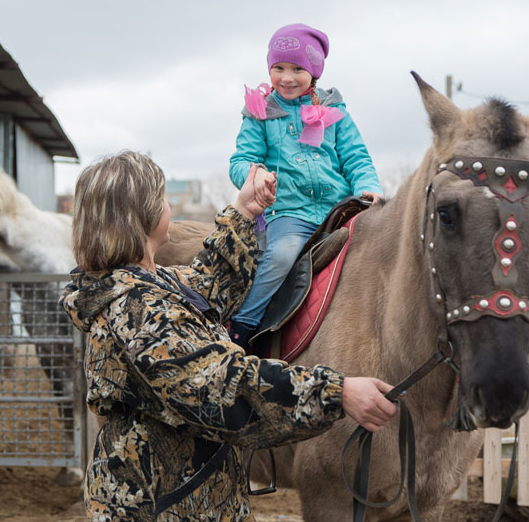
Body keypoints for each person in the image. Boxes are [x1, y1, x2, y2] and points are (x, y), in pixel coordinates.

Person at [60, 151, 395, 521]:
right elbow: (223, 387)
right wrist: (336, 392)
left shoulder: (150, 287)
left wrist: (244, 210)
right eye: (161, 199)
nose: (166, 206)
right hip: (164, 508)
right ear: (140, 216)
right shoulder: (138, 312)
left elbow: (207, 285)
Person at [228, 23, 383, 346]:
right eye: (278, 68)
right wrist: (255, 176)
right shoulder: (261, 114)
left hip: (339, 210)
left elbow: (355, 157)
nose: (286, 77)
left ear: (314, 72)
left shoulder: (333, 110)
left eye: (297, 68)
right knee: (282, 255)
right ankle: (244, 323)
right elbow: (241, 160)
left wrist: (368, 186)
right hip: (289, 211)